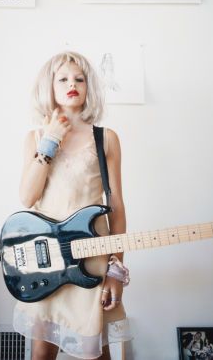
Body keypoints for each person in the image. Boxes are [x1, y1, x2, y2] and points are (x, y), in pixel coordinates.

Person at [14, 52, 130, 359]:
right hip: (47, 259)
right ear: (49, 86)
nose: (72, 85)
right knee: (42, 353)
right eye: (63, 79)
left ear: (88, 86)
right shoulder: (35, 137)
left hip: (92, 260)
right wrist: (51, 138)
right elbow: (27, 197)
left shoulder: (106, 138)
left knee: (96, 352)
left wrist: (116, 270)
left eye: (79, 79)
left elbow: (116, 206)